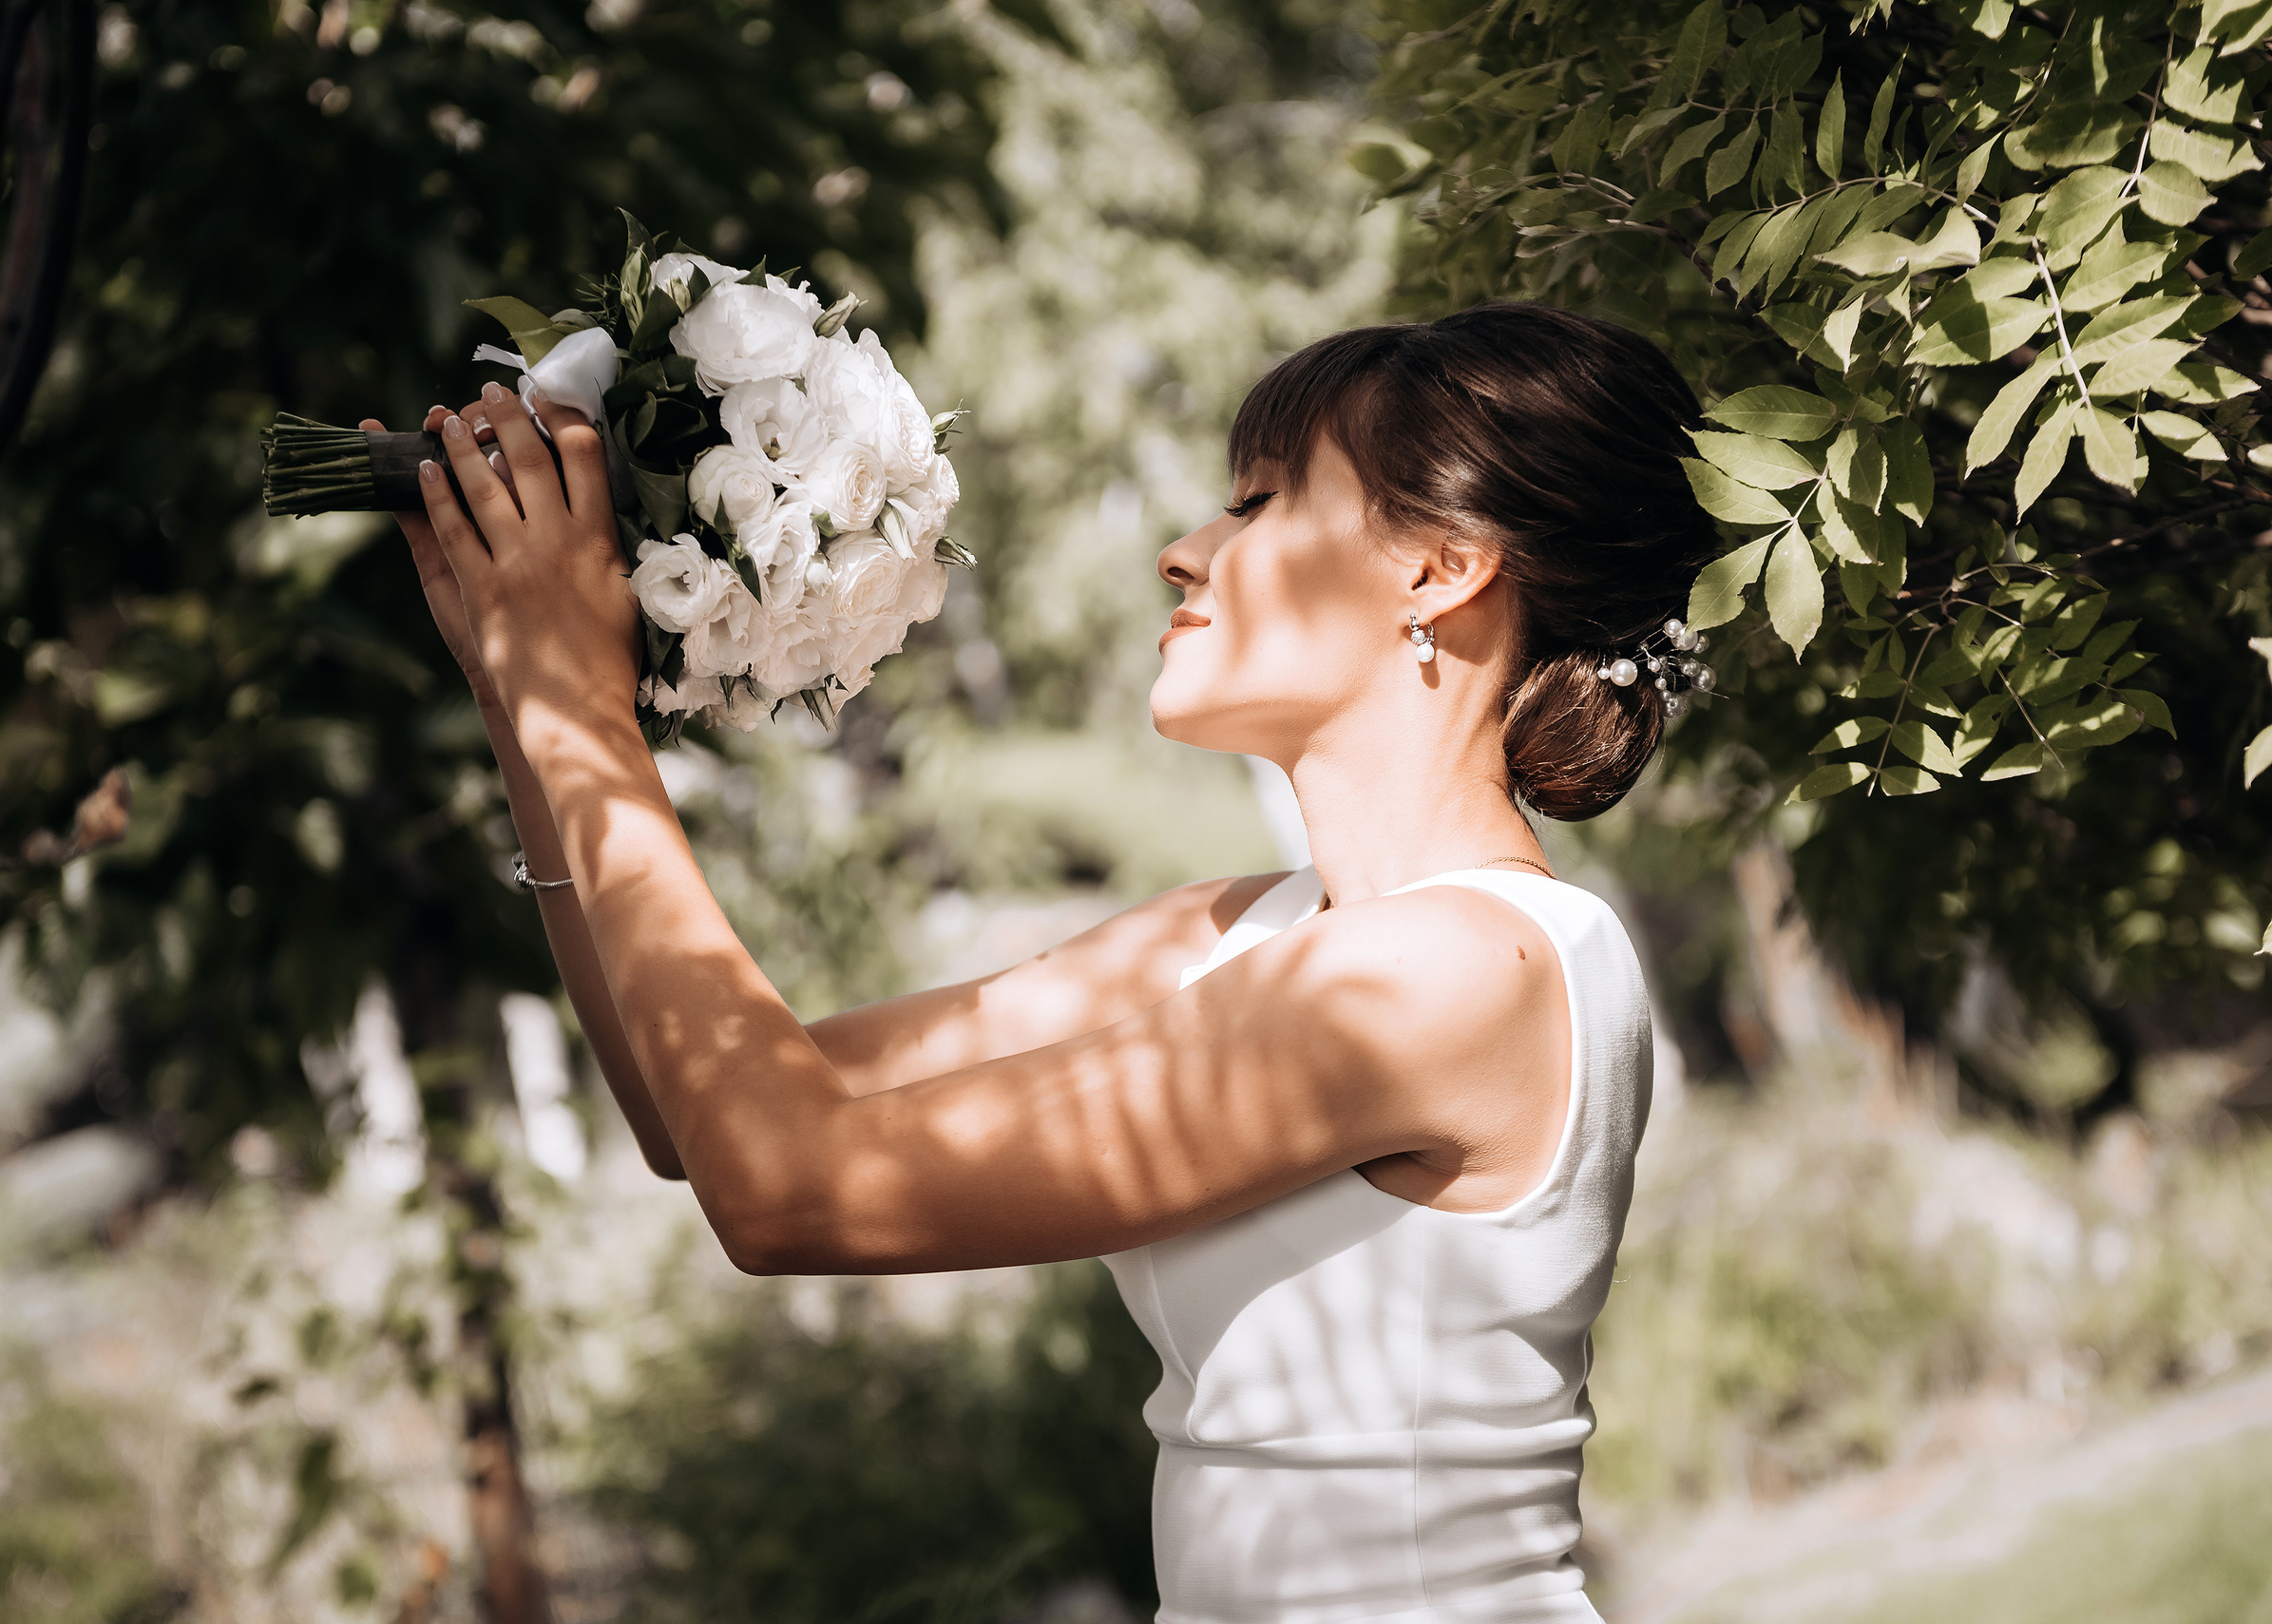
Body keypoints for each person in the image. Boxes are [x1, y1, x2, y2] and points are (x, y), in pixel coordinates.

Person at [378, 301, 1717, 1622]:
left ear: (1438, 568)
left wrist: (581, 707)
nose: (1184, 553)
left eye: (1259, 505)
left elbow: (786, 1188)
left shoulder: (1458, 969)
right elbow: (693, 1117)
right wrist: (522, 698)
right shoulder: (1235, 935)